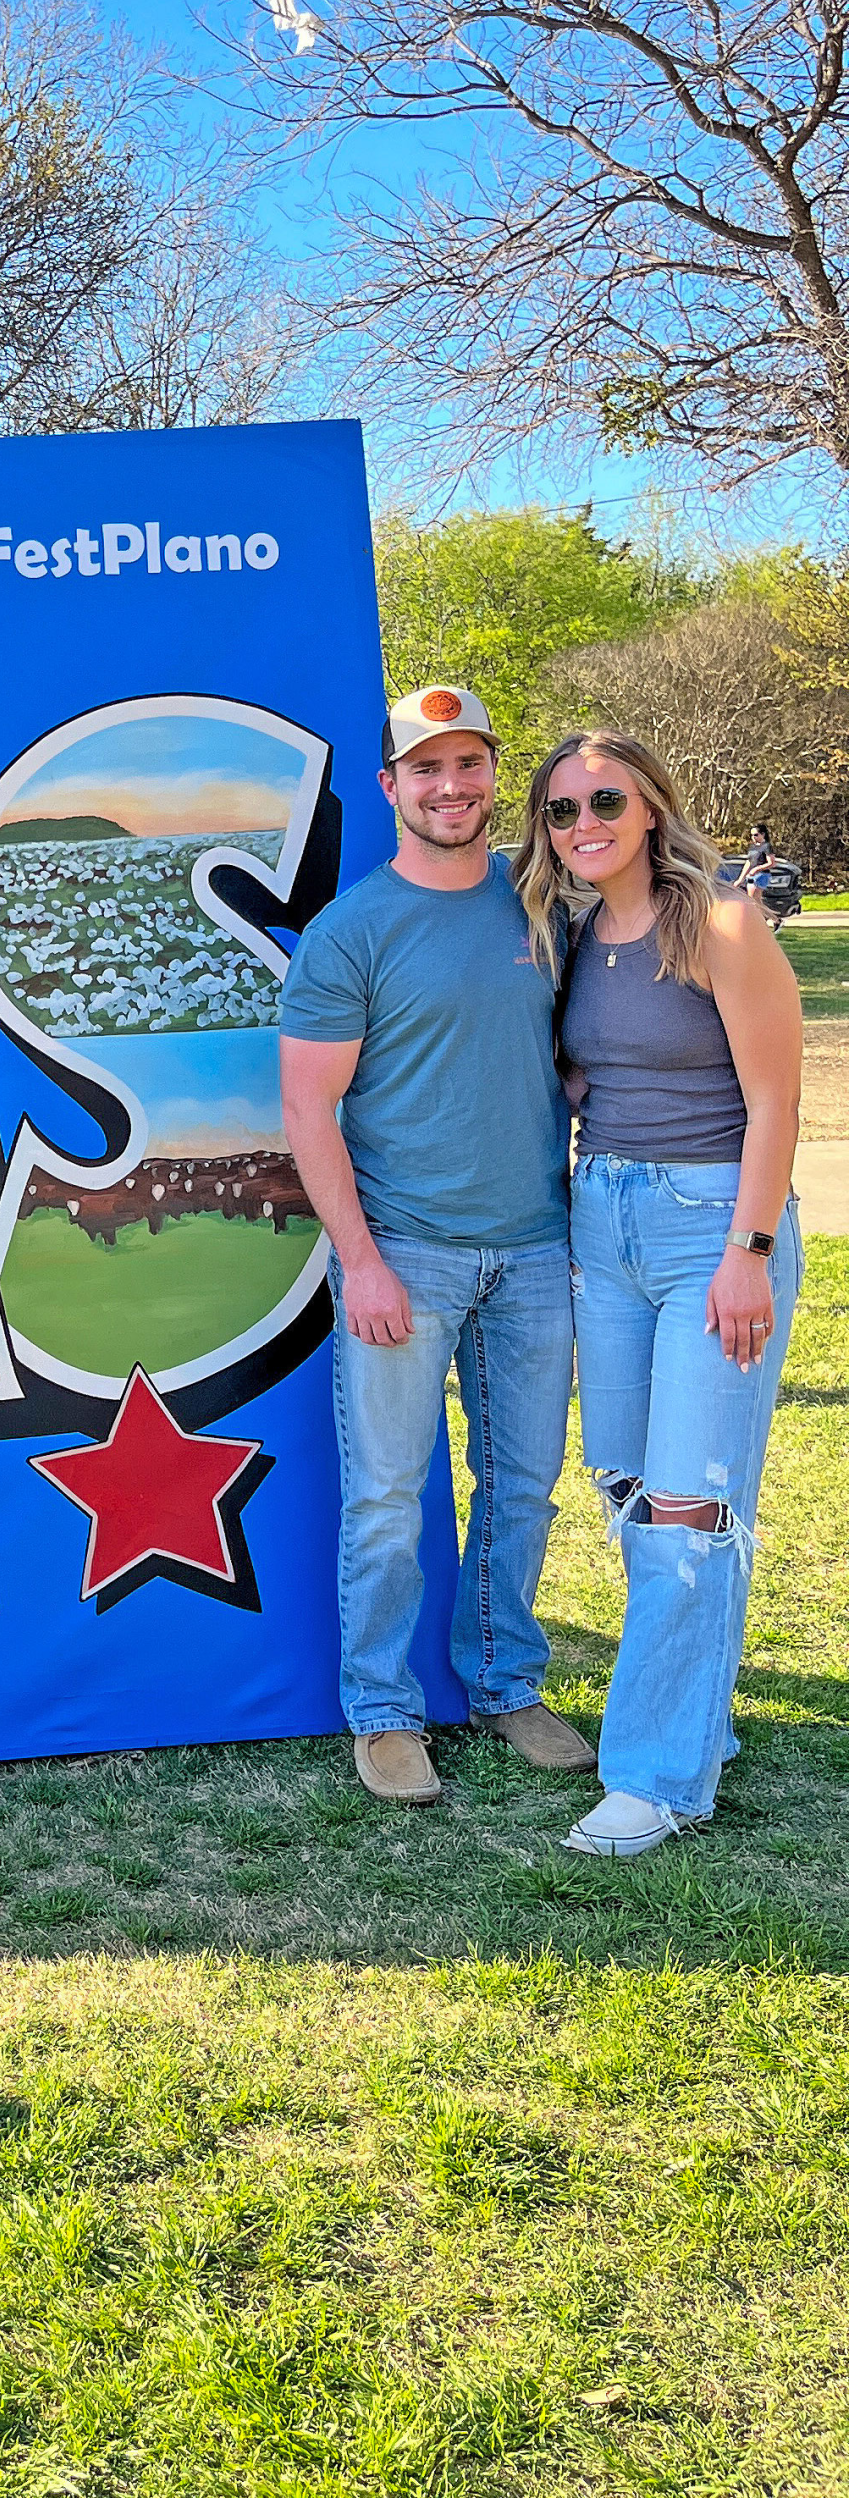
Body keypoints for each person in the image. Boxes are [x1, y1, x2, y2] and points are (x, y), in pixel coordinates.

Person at [279, 684, 593, 1806]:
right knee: (383, 1495)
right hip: (403, 1254)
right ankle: (382, 1711)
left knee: (524, 1485)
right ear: (390, 787)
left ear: (491, 776)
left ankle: (507, 1683)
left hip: (534, 1252)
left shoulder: (544, 908)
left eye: (468, 765)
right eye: (425, 768)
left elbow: (568, 1046)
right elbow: (308, 1110)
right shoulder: (351, 928)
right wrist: (359, 1261)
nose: (450, 787)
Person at [517, 733, 804, 1856]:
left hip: (709, 1230)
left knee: (695, 1501)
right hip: (606, 1219)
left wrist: (749, 1247)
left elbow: (774, 1102)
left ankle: (652, 1777)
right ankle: (693, 1717)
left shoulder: (722, 922)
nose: (582, 821)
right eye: (558, 808)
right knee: (629, 1484)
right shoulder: (574, 935)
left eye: (603, 800)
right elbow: (590, 1066)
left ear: (649, 807)